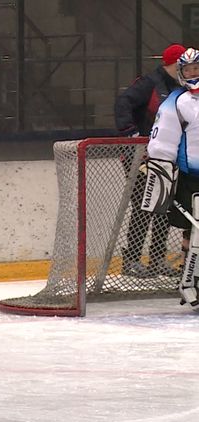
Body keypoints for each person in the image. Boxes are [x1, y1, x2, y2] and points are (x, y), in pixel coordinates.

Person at [114, 43, 185, 278]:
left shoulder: (181, 87)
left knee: (163, 208)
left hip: (166, 156)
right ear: (175, 63)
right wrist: (133, 135)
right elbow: (123, 102)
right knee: (144, 207)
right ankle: (132, 259)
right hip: (140, 156)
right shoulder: (150, 83)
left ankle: (156, 259)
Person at [144, 47, 199, 309]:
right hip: (191, 178)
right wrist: (160, 170)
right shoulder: (175, 103)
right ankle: (190, 281)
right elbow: (162, 141)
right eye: (188, 70)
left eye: (196, 68)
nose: (193, 73)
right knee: (193, 231)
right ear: (180, 73)